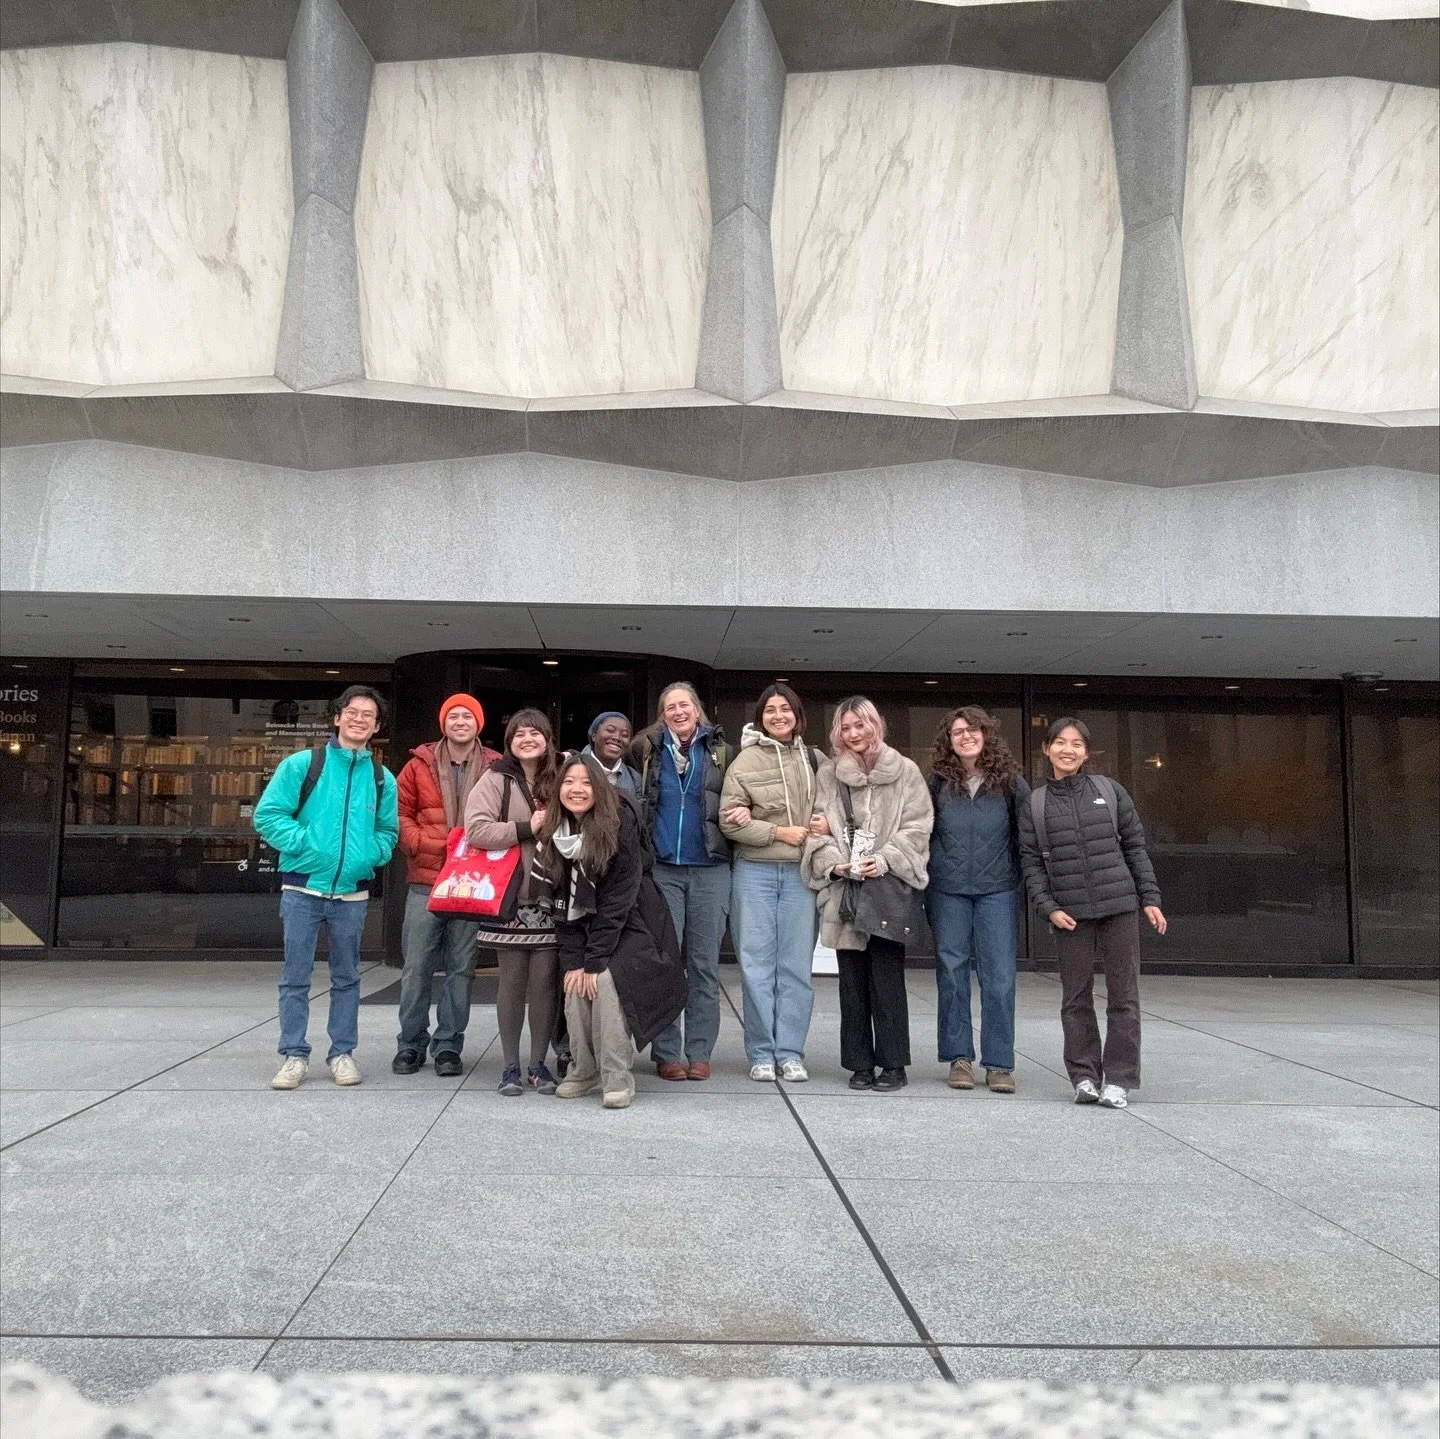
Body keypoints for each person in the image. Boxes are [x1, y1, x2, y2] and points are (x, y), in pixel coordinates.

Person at [1017, 717, 1167, 1110]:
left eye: (1077, 744)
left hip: (1120, 906)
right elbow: (1031, 863)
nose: (1068, 750)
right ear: (1046, 749)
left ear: (1086, 752)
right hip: (1070, 914)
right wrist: (1049, 908)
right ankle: (1084, 1076)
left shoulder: (1110, 791)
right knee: (1075, 998)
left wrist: (1150, 898)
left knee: (1124, 996)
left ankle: (1119, 1079)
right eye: (1060, 742)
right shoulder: (1035, 804)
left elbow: (1135, 847)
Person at [254, 685, 398, 1090]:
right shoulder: (304, 764)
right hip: (302, 890)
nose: (359, 719)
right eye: (352, 712)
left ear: (377, 727)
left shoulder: (381, 778)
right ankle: (293, 1055)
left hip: (351, 893)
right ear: (337, 718)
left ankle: (342, 1054)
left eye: (368, 715)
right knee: (295, 977)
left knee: (347, 976)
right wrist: (306, 844)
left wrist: (370, 854)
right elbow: (268, 815)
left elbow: (388, 831)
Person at [533, 754, 685, 1109]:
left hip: (634, 919)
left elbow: (619, 899)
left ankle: (617, 1078)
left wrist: (594, 960)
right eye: (569, 782)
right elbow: (562, 902)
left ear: (599, 788)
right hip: (586, 924)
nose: (577, 790)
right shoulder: (557, 832)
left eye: (587, 782)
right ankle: (584, 1069)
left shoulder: (619, 821)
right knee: (573, 981)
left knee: (605, 981)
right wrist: (576, 961)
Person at [802, 697, 932, 1092]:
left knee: (887, 981)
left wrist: (886, 859)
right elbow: (817, 830)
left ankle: (893, 1064)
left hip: (887, 890)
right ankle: (858, 1063)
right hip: (847, 891)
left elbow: (918, 826)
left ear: (876, 725)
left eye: (860, 724)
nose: (854, 733)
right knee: (852, 983)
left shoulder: (905, 771)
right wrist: (835, 864)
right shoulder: (829, 775)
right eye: (845, 727)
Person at [392, 694, 501, 1078]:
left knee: (461, 969)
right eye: (453, 715)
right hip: (426, 880)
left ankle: (448, 1045)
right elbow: (399, 813)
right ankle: (410, 1044)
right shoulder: (417, 764)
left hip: (471, 882)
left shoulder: (495, 766)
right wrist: (422, 843)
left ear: (478, 724)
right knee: (416, 967)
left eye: (467, 716)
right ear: (443, 723)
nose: (460, 721)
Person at [925, 706, 1030, 1095]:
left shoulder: (1011, 783)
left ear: (987, 735)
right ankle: (959, 1058)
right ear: (948, 741)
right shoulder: (936, 782)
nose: (966, 737)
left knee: (999, 977)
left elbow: (1026, 837)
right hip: (947, 889)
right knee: (952, 974)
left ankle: (999, 1063)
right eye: (957, 732)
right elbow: (922, 832)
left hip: (997, 890)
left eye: (973, 730)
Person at [719, 683, 820, 1083]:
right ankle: (761, 1052)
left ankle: (790, 1052)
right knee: (756, 967)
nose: (778, 716)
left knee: (796, 968)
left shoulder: (815, 759)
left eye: (785, 709)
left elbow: (832, 809)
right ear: (760, 717)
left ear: (797, 715)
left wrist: (823, 823)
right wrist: (777, 832)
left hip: (801, 875)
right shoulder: (744, 761)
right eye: (770, 710)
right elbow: (729, 821)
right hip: (754, 872)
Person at [630, 682, 731, 1082]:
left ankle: (700, 1051)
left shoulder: (722, 751)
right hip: (663, 870)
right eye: (670, 706)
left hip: (710, 869)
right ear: (663, 714)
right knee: (667, 963)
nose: (678, 711)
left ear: (697, 709)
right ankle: (667, 1052)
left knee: (704, 966)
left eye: (684, 704)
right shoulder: (646, 749)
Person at [465, 708, 561, 1096]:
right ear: (509, 742)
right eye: (519, 733)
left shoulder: (563, 773)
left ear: (547, 739)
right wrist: (526, 828)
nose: (527, 739)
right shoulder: (495, 778)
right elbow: (476, 830)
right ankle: (510, 1066)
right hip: (510, 896)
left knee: (545, 983)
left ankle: (538, 1065)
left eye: (535, 732)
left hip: (553, 895)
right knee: (512, 982)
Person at [581, 711, 641, 798]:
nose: (617, 737)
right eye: (610, 730)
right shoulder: (570, 769)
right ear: (594, 735)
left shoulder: (635, 779)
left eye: (624, 735)